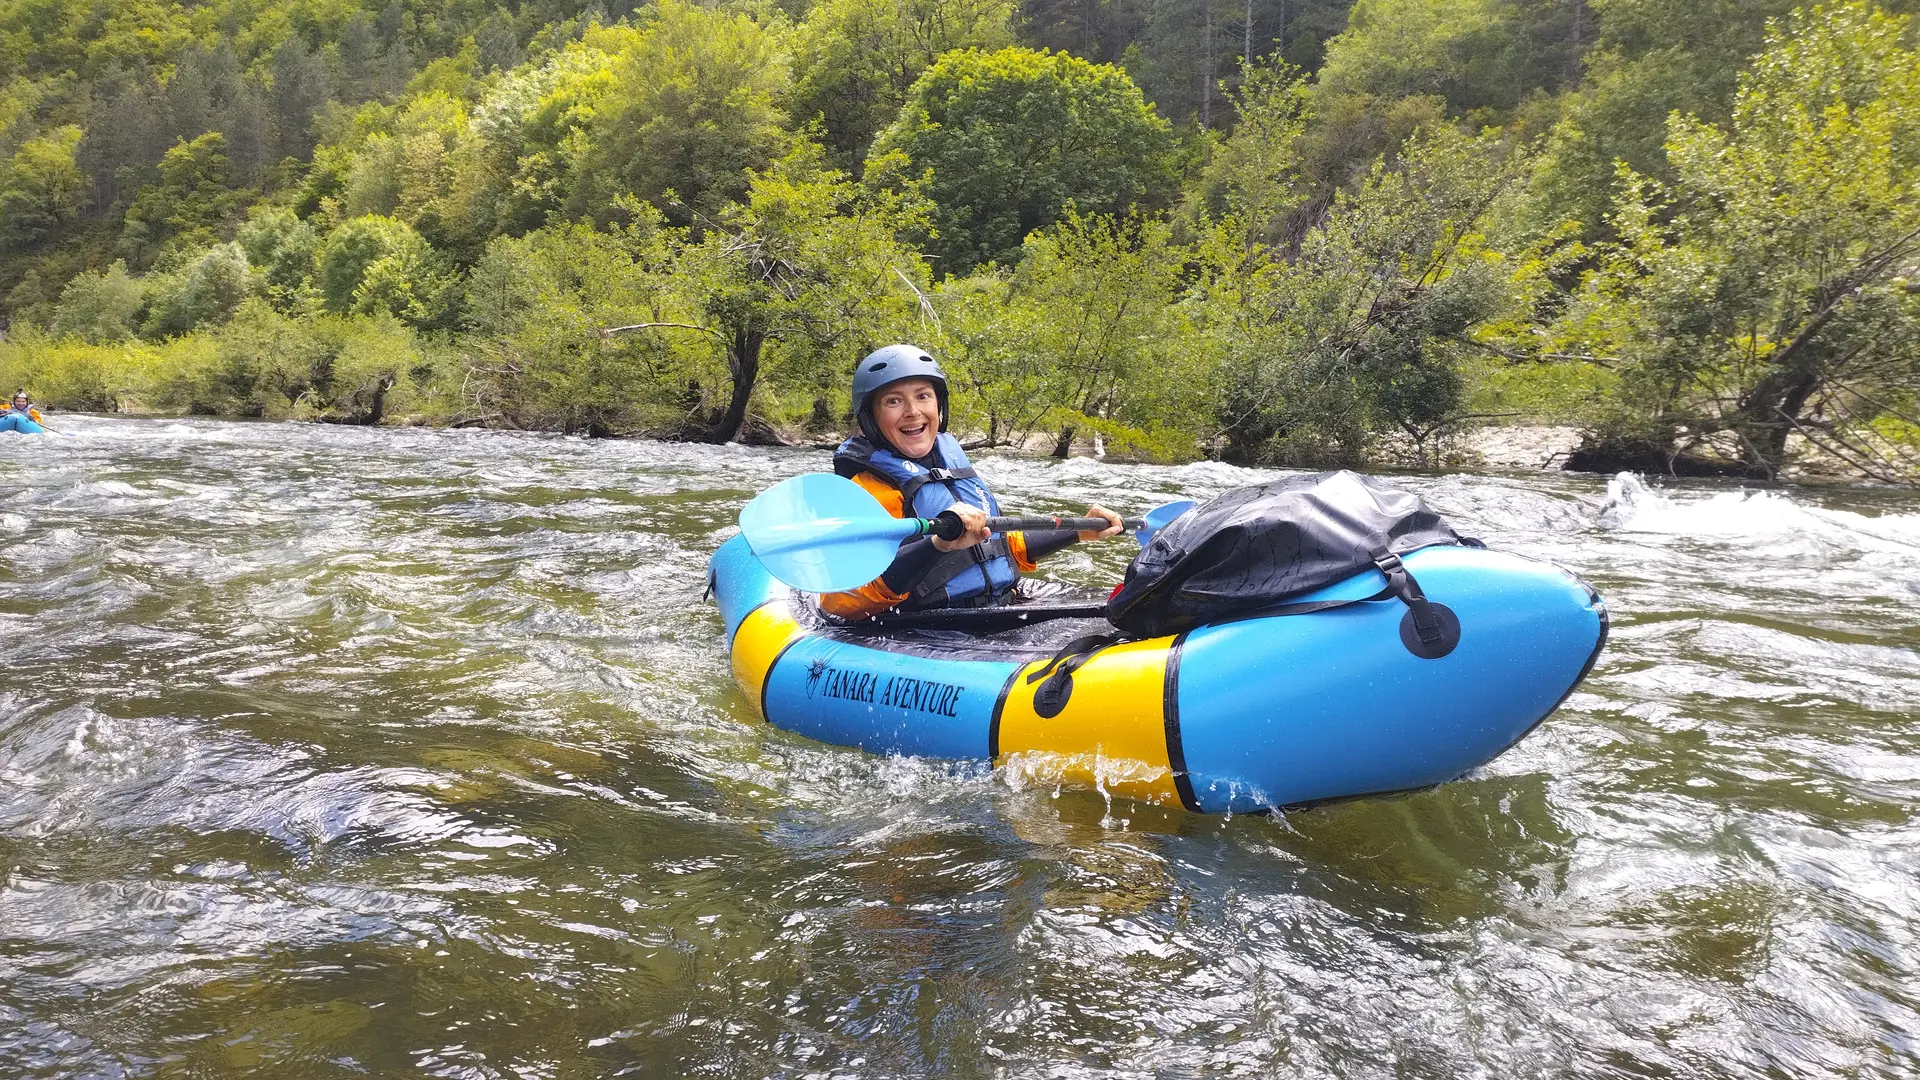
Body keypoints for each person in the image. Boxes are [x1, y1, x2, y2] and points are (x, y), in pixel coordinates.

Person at [820, 344, 1123, 619]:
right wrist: (938, 544)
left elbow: (1003, 546)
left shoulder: (954, 467)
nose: (913, 412)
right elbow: (841, 599)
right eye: (893, 401)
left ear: (939, 405)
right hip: (926, 629)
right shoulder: (865, 491)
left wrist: (1080, 531)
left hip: (999, 609)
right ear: (871, 416)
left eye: (923, 396)